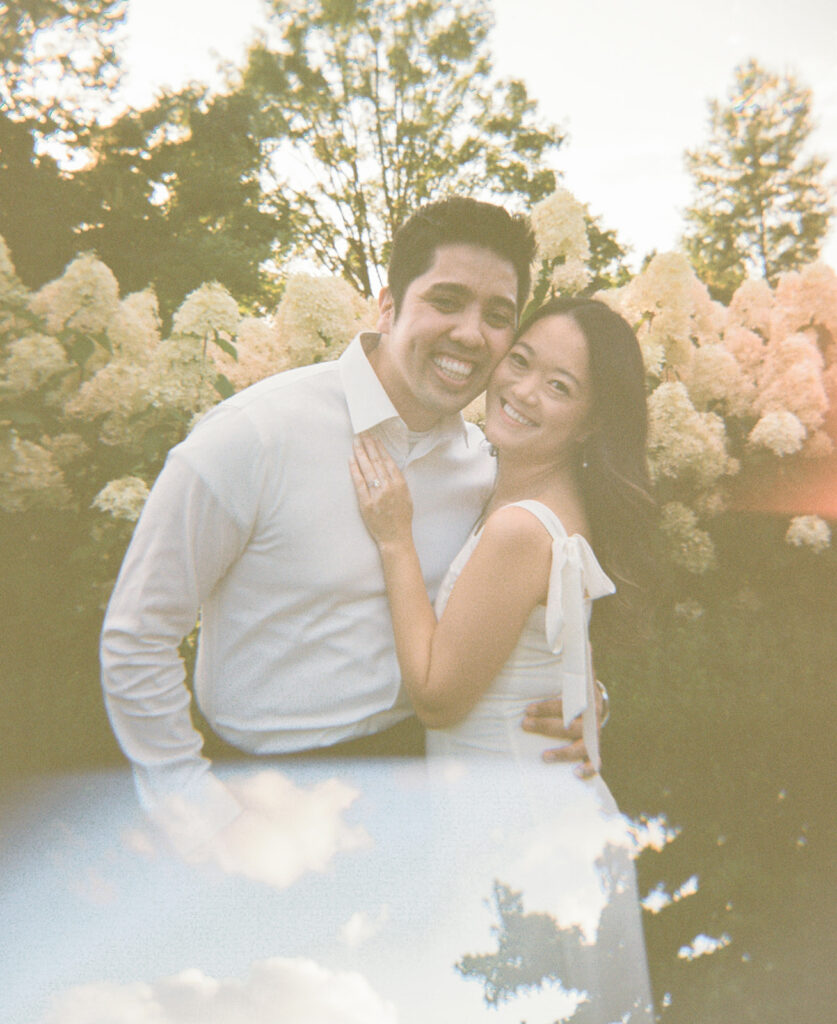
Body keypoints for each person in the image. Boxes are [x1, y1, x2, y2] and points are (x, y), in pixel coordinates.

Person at [99, 197, 590, 848]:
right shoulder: (253, 436)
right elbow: (137, 638)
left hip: (429, 789)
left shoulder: (484, 468)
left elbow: (490, 618)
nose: (472, 335)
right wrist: (203, 813)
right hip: (263, 794)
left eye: (497, 316)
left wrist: (579, 695)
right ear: (387, 306)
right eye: (446, 300)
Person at [350, 295, 657, 1020]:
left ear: (589, 421)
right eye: (519, 362)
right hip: (525, 809)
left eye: (559, 386)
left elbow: (435, 695)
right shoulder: (537, 494)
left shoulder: (520, 525)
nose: (521, 391)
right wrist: (588, 696)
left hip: (512, 828)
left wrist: (393, 537)